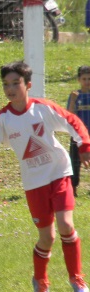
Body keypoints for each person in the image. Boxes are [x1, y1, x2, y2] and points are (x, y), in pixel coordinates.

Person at [0, 61, 90, 292]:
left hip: (59, 172)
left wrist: (84, 146)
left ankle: (77, 278)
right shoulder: (4, 119)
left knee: (66, 224)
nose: (10, 88)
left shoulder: (43, 109)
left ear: (28, 85)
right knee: (47, 238)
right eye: (6, 84)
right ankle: (40, 281)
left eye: (16, 83)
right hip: (34, 182)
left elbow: (73, 121)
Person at [67, 65, 90, 195]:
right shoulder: (76, 95)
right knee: (75, 162)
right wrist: (73, 101)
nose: (87, 82)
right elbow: (69, 115)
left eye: (89, 79)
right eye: (84, 79)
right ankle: (73, 187)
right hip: (78, 135)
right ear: (79, 80)